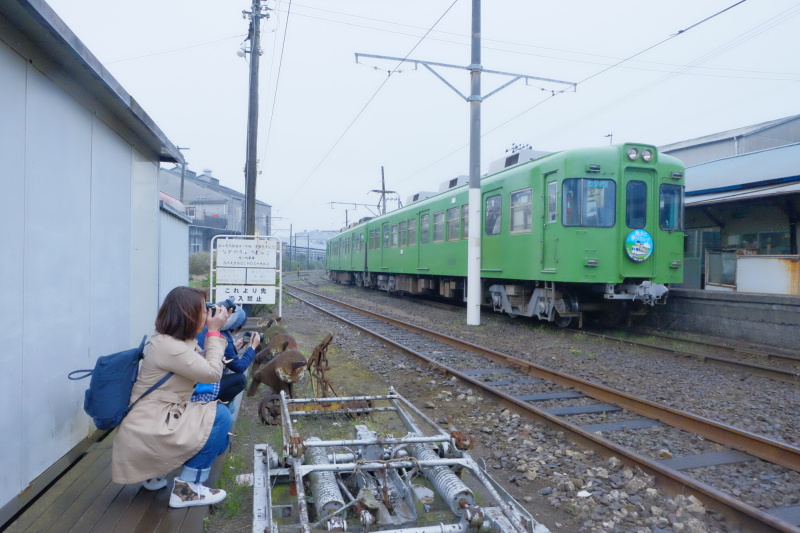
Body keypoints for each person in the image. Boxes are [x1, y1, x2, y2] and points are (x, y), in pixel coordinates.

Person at [111, 286, 232, 508]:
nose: (206, 315)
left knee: (220, 439)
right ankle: (187, 489)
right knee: (220, 416)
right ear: (187, 315)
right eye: (203, 311)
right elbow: (213, 373)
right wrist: (214, 333)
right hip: (150, 424)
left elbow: (197, 363)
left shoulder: (166, 341)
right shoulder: (171, 348)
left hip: (148, 418)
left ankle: (153, 475)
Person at [192, 304, 261, 408]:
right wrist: (252, 348)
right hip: (199, 386)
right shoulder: (223, 335)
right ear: (236, 326)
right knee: (241, 380)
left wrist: (235, 348)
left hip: (195, 377)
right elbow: (239, 367)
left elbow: (218, 355)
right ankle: (218, 407)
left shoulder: (205, 328)